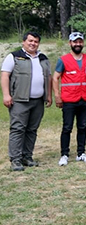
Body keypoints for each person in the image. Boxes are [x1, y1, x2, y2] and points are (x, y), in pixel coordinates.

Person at [1, 31, 52, 171]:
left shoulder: (43, 58)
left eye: (35, 41)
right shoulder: (14, 56)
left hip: (38, 101)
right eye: (30, 41)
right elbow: (5, 75)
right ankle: (15, 160)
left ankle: (27, 157)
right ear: (24, 42)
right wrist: (6, 95)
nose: (33, 44)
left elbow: (48, 77)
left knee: (32, 130)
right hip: (19, 100)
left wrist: (49, 96)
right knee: (18, 129)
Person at [53, 32, 86, 166]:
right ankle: (64, 154)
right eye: (75, 42)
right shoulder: (63, 59)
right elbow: (55, 77)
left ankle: (80, 153)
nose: (78, 44)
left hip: (85, 98)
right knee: (67, 127)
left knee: (82, 126)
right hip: (69, 99)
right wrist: (57, 95)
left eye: (80, 42)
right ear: (70, 43)